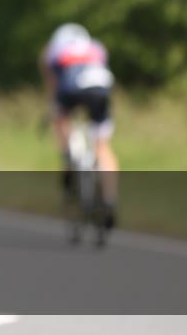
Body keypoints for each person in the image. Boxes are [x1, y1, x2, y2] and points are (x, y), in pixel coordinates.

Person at [39, 23, 119, 228]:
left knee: (60, 117)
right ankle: (109, 200)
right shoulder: (97, 46)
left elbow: (53, 85)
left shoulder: (53, 50)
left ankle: (69, 159)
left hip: (71, 88)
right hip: (101, 88)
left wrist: (51, 111)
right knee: (102, 145)